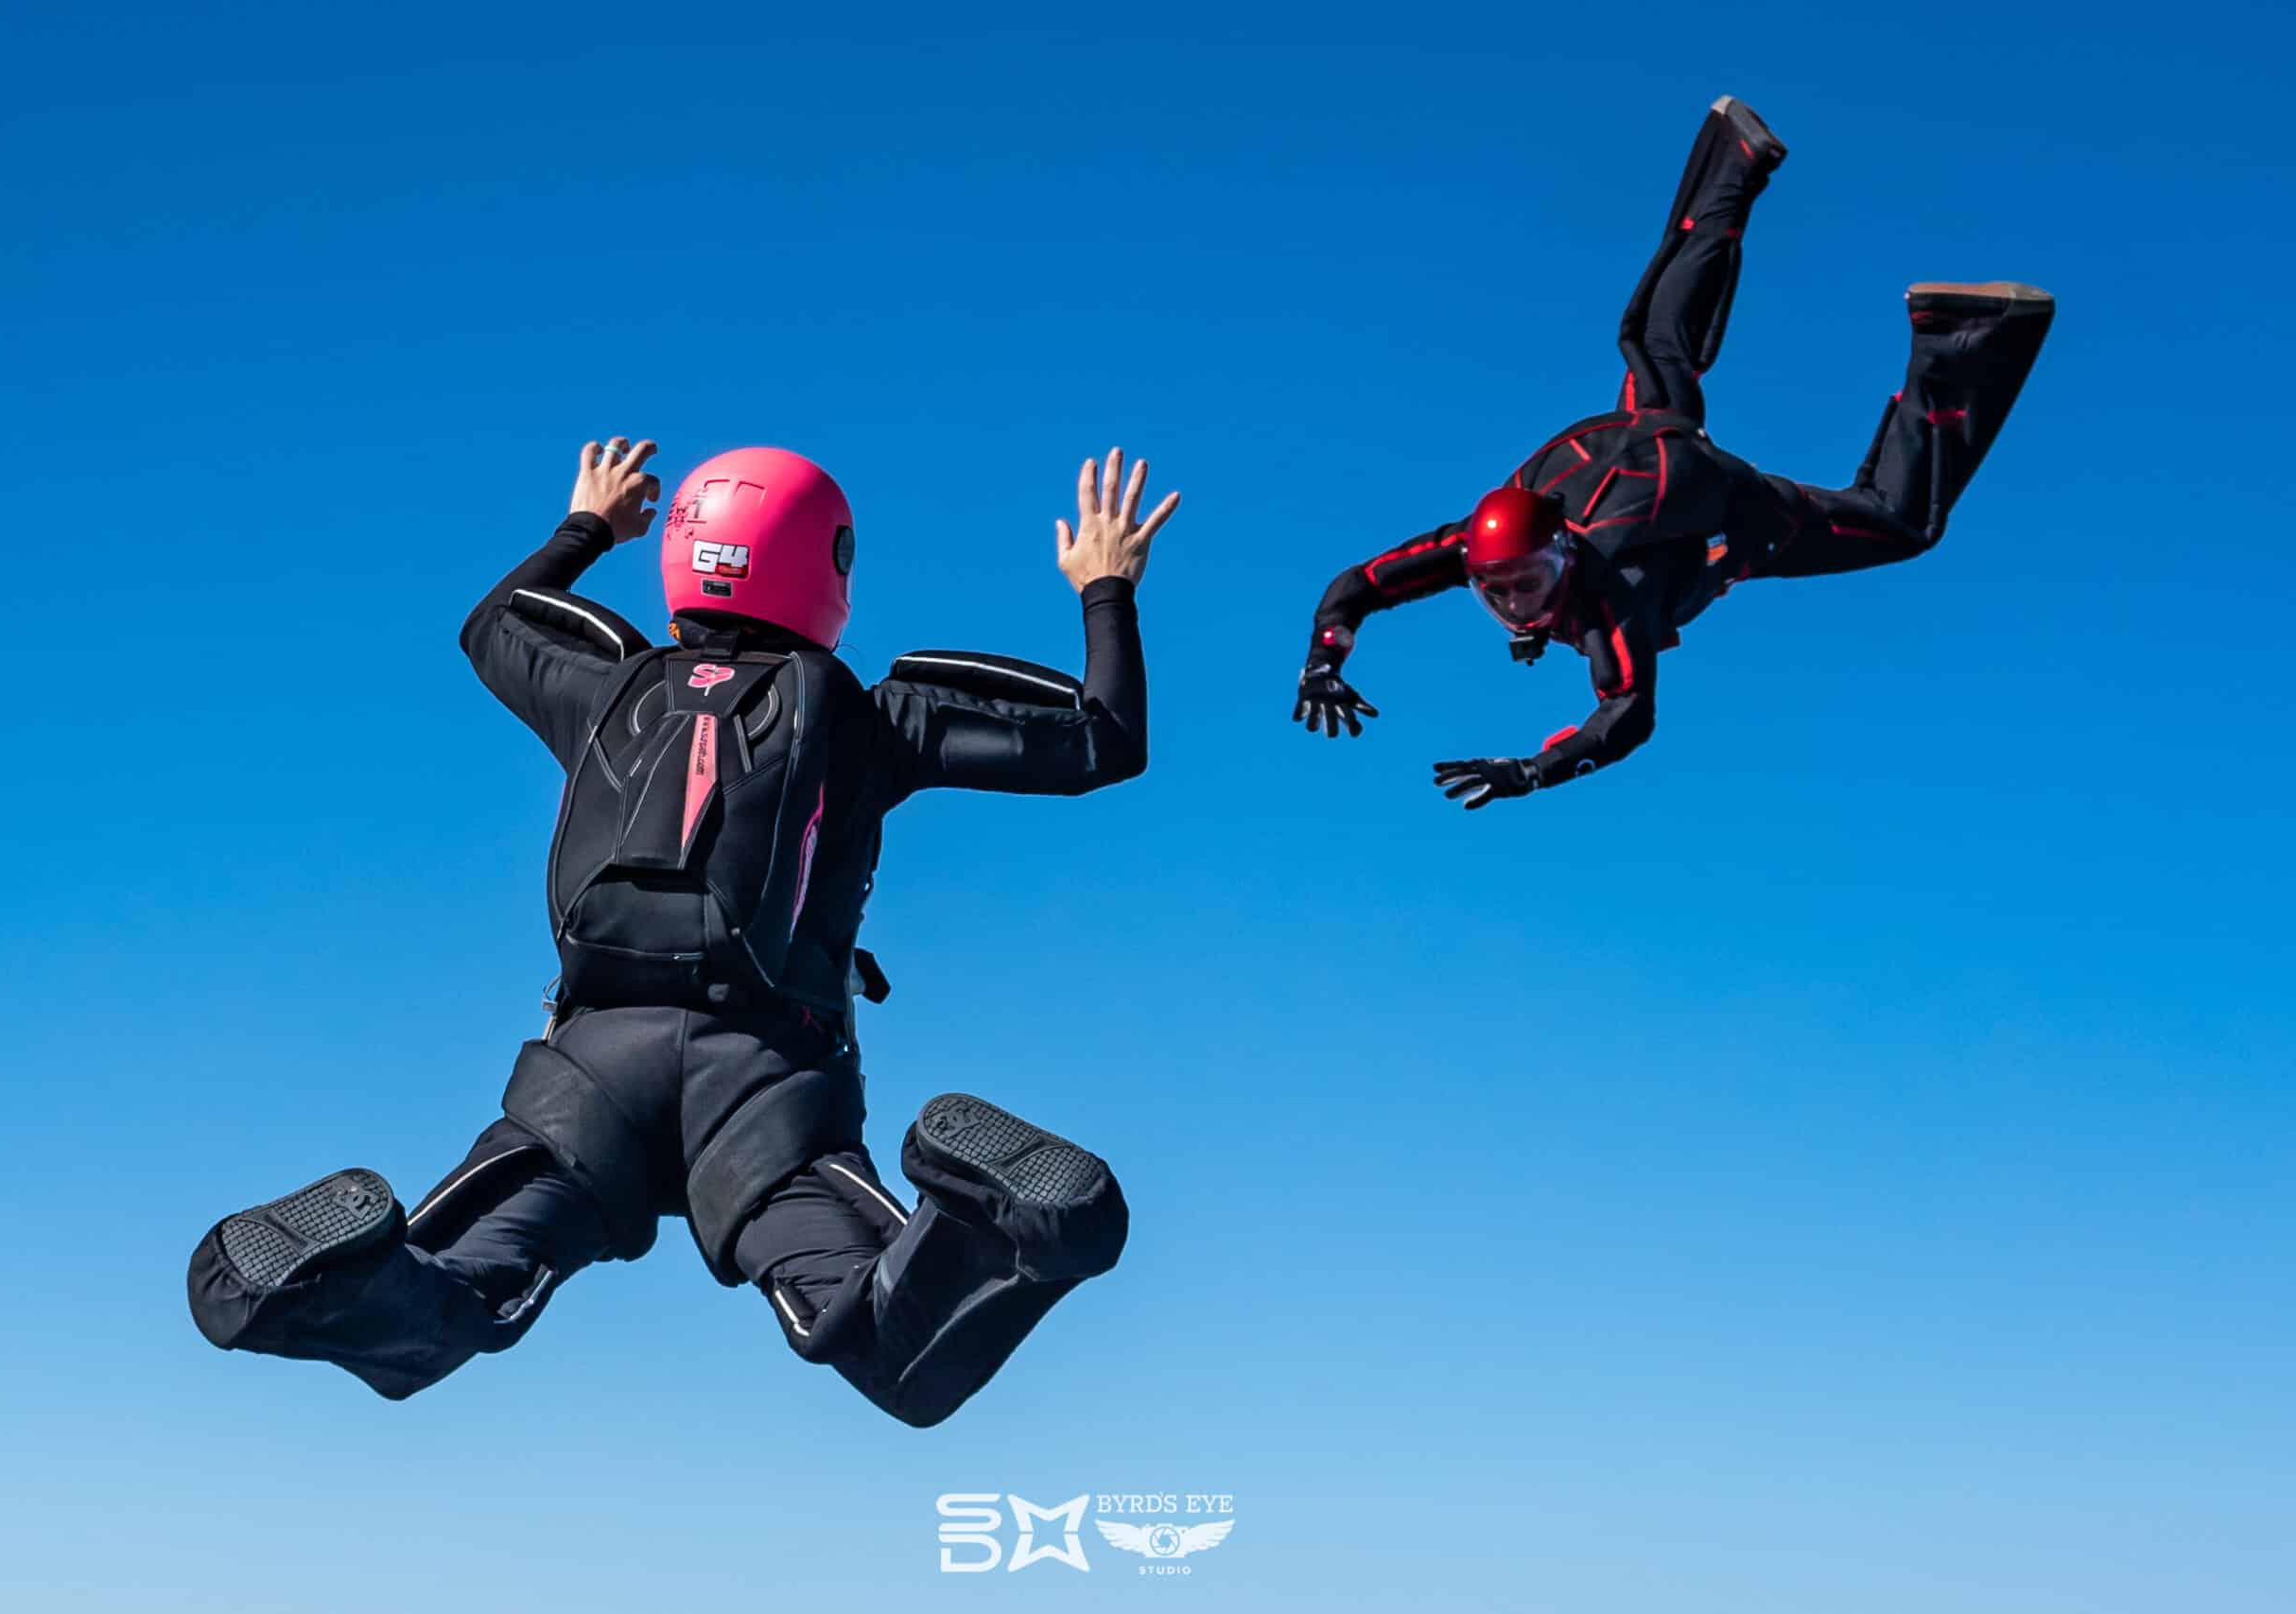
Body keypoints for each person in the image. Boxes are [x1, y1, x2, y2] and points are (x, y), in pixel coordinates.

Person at [187, 440, 1180, 1427]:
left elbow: (490, 625)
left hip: (585, 1079)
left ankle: (294, 1287)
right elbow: (1103, 738)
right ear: (826, 567)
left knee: (450, 1301)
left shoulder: (604, 683)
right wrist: (1105, 585)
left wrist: (588, 525)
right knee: (888, 1345)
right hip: (765, 1085)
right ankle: (988, 1223)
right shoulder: (867, 715)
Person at [1291, 96, 2055, 807]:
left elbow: (1625, 714)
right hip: (1629, 442)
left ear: (1564, 551)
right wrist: (1325, 656)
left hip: (1710, 498)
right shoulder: (1469, 545)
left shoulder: (1606, 599)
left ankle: (1963, 334)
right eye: (1501, 591)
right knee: (1653, 341)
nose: (1519, 602)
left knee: (1899, 521)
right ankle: (1733, 150)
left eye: (1531, 581)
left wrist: (1531, 771)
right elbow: (1359, 583)